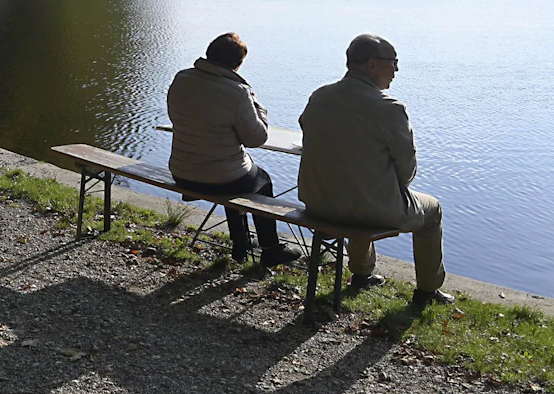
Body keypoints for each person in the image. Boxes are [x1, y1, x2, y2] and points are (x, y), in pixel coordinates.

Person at [297, 34, 453, 305]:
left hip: (317, 203)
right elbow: (406, 172)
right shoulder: (390, 109)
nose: (396, 69)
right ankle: (428, 291)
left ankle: (362, 274)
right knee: (432, 210)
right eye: (393, 62)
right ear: (371, 65)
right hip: (366, 210)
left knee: (357, 187)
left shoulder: (319, 96)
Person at [167, 33, 301, 266]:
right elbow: (256, 138)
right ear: (237, 64)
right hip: (218, 178)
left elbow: (175, 116)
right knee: (260, 179)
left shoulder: (182, 78)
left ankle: (240, 245)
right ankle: (270, 249)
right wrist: (257, 105)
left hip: (181, 171)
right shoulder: (237, 92)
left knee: (233, 171)